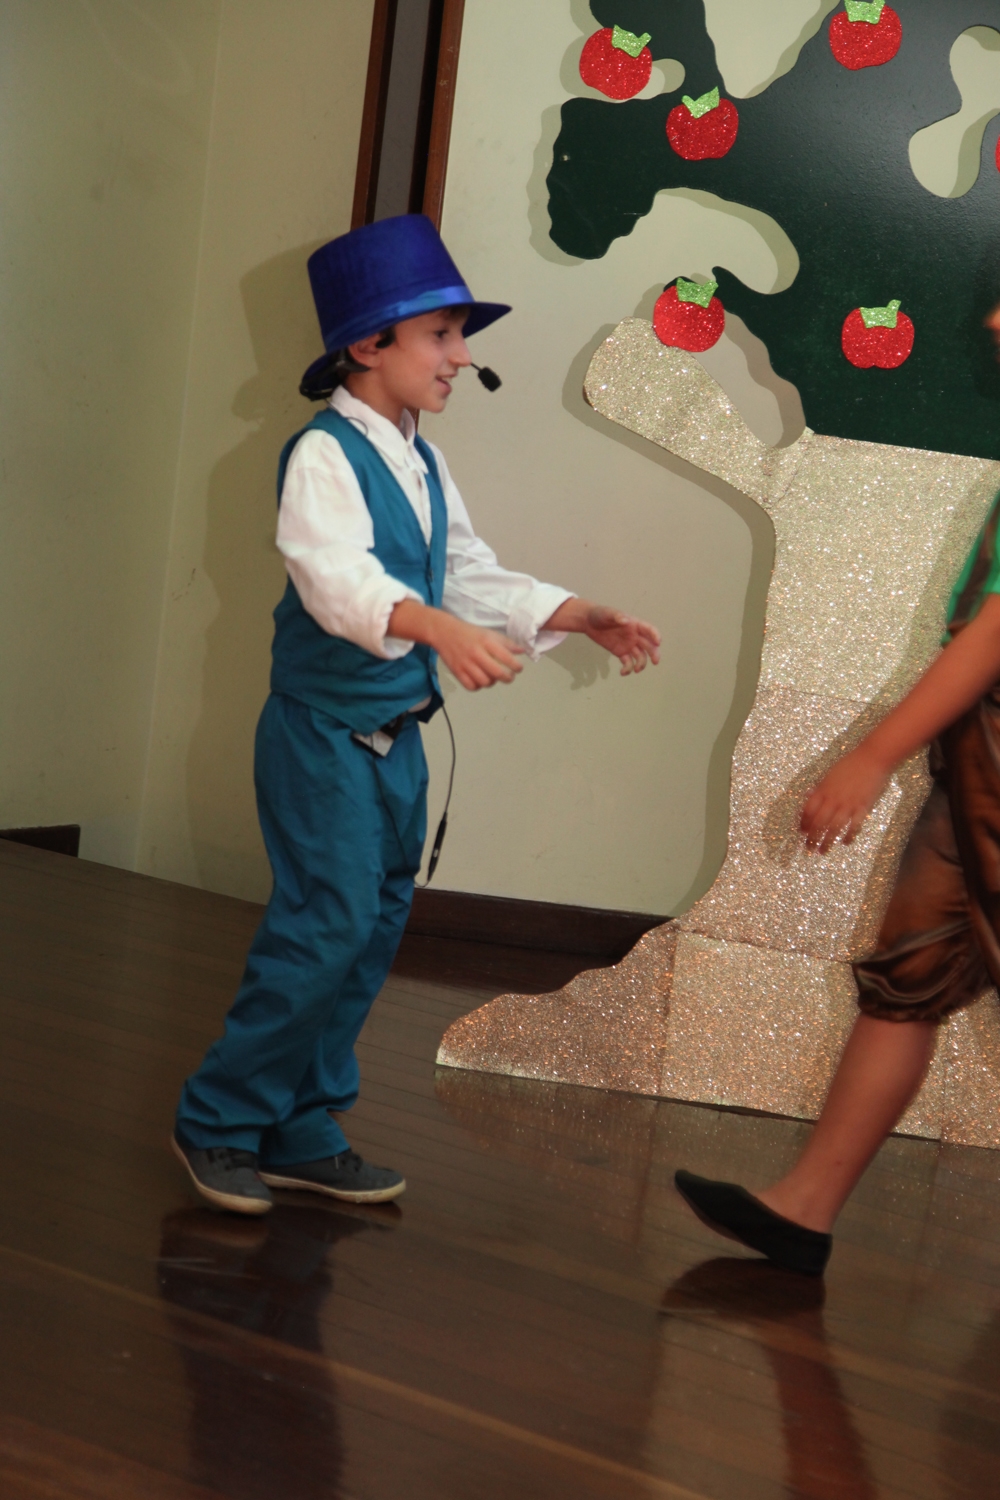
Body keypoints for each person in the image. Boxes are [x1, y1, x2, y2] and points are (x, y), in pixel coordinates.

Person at [172, 214, 661, 1215]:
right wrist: (435, 628)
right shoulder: (322, 456)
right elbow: (335, 580)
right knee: (325, 927)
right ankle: (218, 1119)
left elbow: (464, 569)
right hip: (321, 736)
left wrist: (573, 612)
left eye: (458, 337)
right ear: (368, 344)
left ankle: (302, 1125)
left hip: (395, 741)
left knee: (373, 927)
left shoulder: (421, 461)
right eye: (440, 334)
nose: (459, 357)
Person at [675, 304, 1000, 1277]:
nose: (990, 317)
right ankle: (804, 1209)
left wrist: (875, 754)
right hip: (977, 767)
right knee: (912, 971)